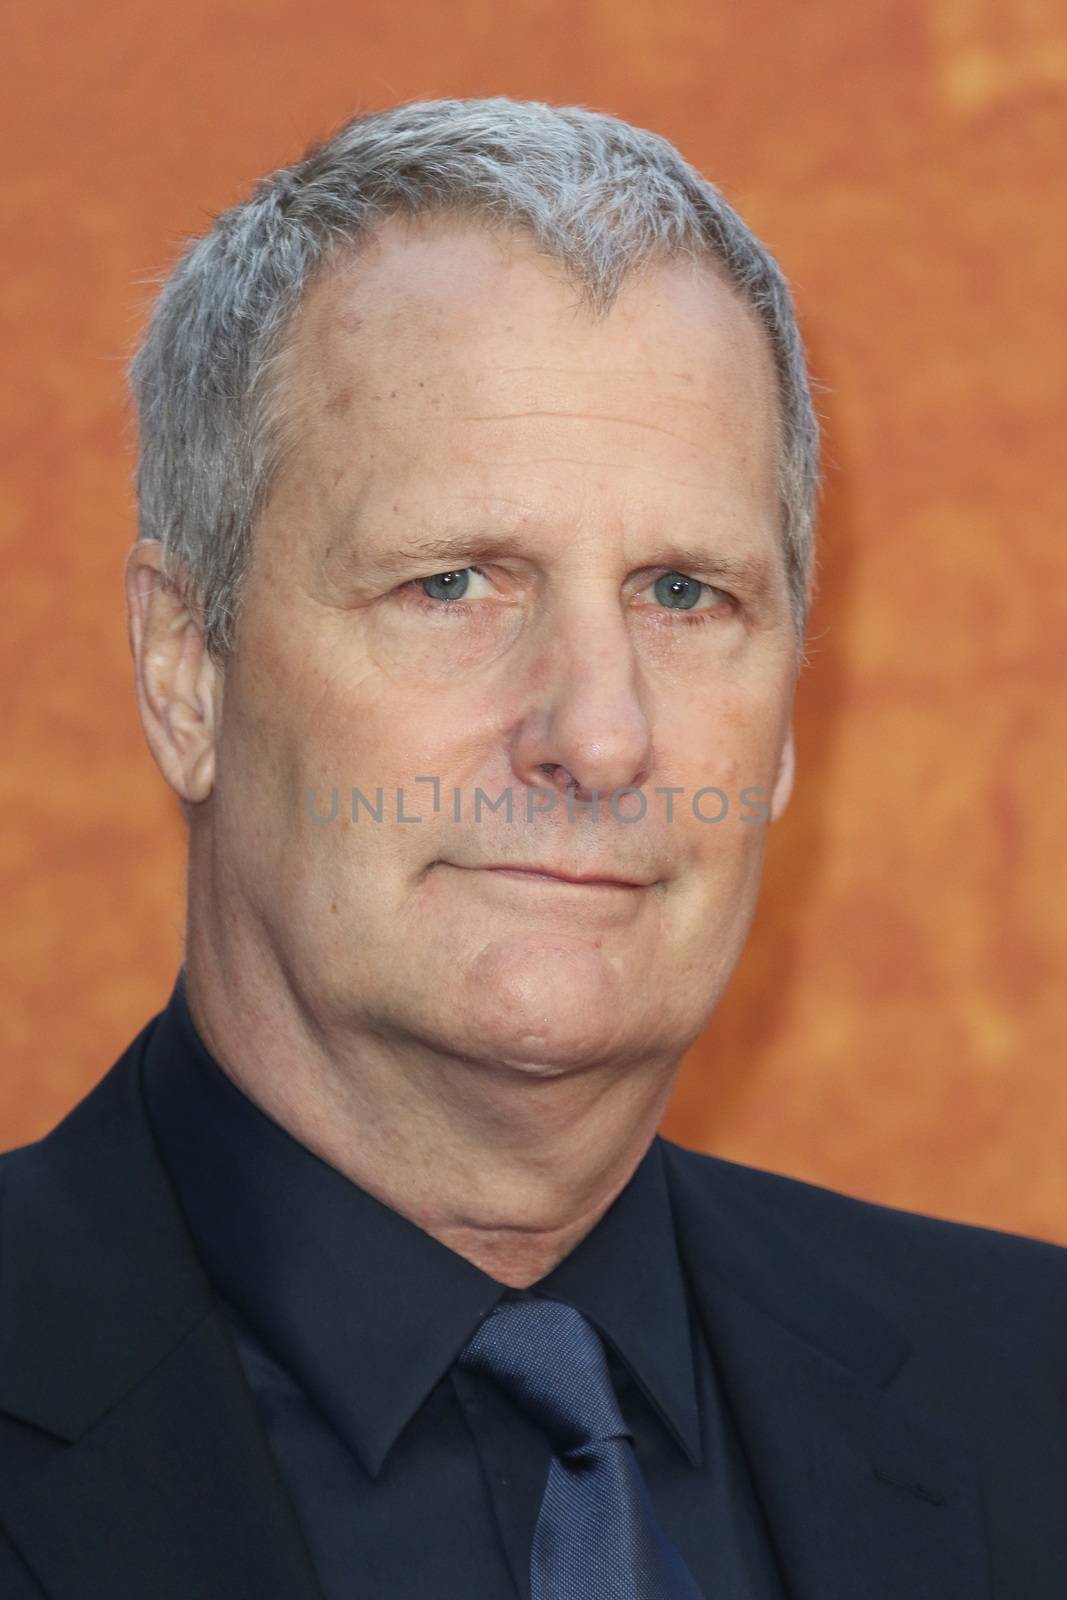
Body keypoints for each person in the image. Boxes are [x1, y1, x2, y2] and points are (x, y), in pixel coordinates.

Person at [0, 96, 1064, 1600]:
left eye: (686, 596)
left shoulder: (1037, 1400)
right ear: (188, 672)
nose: (599, 732)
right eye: (453, 584)